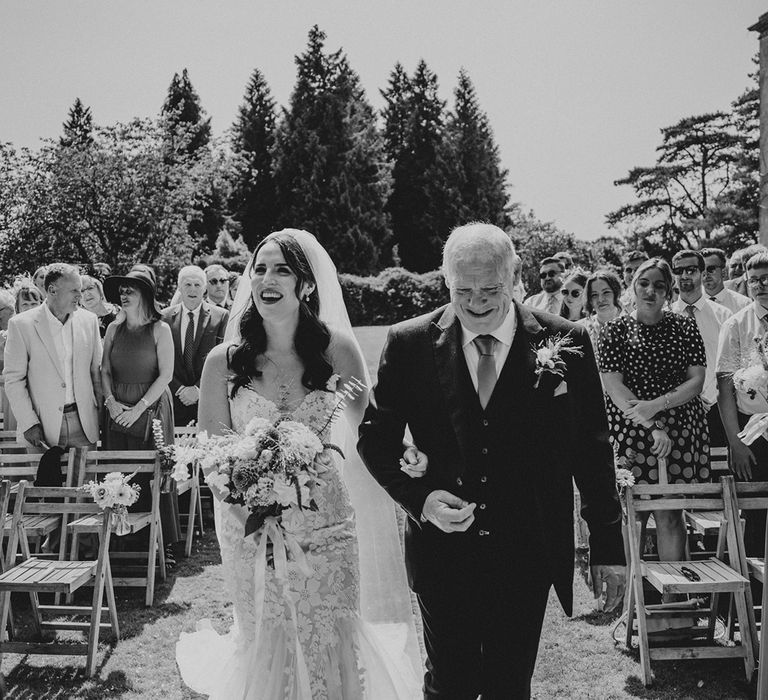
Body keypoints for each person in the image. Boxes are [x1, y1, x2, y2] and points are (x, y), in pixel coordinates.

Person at [359, 223, 625, 699]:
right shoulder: (410, 343)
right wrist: (422, 500)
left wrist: (608, 546)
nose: (477, 301)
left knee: (509, 684)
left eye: (491, 289)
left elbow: (591, 448)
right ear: (445, 281)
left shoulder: (568, 341)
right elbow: (375, 442)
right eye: (463, 290)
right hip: (443, 551)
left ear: (515, 275)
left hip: (528, 548)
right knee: (449, 683)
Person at [176, 229, 422, 699]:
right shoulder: (222, 362)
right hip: (251, 526)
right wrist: (250, 485)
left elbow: (368, 424)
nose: (267, 279)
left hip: (326, 523)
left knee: (328, 631)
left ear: (306, 284)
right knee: (268, 634)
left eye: (282, 270)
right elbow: (211, 448)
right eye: (261, 269)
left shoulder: (337, 352)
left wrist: (407, 448)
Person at [599, 258, 708, 595]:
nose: (651, 291)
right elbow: (614, 386)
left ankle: (672, 598)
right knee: (632, 518)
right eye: (644, 283)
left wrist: (659, 407)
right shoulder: (614, 330)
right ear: (634, 285)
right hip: (631, 431)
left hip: (678, 432)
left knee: (670, 516)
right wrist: (652, 424)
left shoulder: (684, 327)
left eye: (659, 285)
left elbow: (697, 381)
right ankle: (634, 601)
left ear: (668, 291)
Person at [102, 269, 177, 540]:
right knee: (119, 473)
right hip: (117, 408)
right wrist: (111, 403)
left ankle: (160, 542)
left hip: (153, 406)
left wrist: (139, 409)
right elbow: (105, 370)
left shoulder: (161, 328)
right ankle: (122, 540)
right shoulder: (113, 328)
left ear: (145, 294)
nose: (123, 295)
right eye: (121, 290)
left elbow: (166, 375)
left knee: (154, 473)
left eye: (129, 290)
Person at [4, 263, 102, 452]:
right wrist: (29, 423)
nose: (79, 296)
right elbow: (14, 380)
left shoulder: (89, 321)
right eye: (74, 290)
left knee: (87, 482)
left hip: (84, 424)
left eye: (80, 290)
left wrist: (100, 417)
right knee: (44, 482)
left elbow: (96, 372)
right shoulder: (21, 325)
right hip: (41, 426)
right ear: (52, 290)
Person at [717, 251, 768, 556]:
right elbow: (724, 387)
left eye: (766, 279)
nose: (760, 285)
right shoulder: (736, 324)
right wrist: (735, 443)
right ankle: (750, 600)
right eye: (754, 281)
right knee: (755, 517)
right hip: (752, 435)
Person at [670, 250, 731, 450]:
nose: (685, 275)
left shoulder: (724, 316)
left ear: (702, 272)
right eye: (679, 270)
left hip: (717, 408)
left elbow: (729, 364)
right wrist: (688, 397)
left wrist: (709, 398)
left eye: (691, 269)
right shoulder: (664, 316)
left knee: (719, 472)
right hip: (676, 409)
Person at [161, 265, 229, 427]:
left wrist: (198, 390)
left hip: (208, 400)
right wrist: (179, 389)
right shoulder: (164, 317)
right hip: (173, 401)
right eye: (187, 285)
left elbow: (224, 359)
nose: (193, 289)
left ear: (204, 288)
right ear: (179, 288)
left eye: (197, 285)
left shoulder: (220, 317)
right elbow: (159, 360)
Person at [578, 268, 623, 359]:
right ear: (589, 300)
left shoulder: (631, 325)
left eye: (606, 292)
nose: (600, 299)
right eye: (594, 295)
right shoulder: (580, 330)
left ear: (616, 293)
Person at [701, 247, 751, 315]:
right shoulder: (689, 304)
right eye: (701, 269)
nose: (705, 273)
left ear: (723, 272)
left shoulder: (744, 304)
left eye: (711, 269)